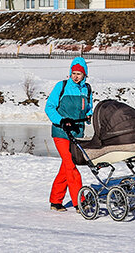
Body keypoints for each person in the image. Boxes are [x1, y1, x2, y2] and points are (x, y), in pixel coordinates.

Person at [44, 57, 93, 212]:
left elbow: (89, 107)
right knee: (71, 166)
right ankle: (80, 202)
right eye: (74, 73)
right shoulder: (62, 86)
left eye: (79, 73)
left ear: (84, 75)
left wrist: (90, 115)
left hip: (77, 132)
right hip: (61, 132)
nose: (76, 76)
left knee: (66, 167)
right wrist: (61, 120)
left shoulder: (87, 89)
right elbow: (49, 107)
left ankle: (55, 201)